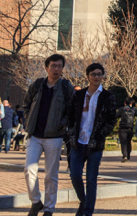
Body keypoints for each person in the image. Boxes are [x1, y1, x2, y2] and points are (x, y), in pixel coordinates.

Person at [23, 53, 75, 216]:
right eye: (53, 65)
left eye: (59, 66)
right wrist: (27, 122)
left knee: (51, 175)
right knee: (29, 169)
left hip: (55, 137)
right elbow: (26, 105)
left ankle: (49, 208)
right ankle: (36, 202)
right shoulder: (37, 85)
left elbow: (72, 111)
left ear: (62, 68)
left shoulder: (67, 87)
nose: (56, 69)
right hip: (35, 135)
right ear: (46, 67)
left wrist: (63, 124)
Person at [66, 63, 117, 216]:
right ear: (88, 76)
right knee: (74, 175)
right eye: (93, 74)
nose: (96, 77)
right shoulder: (79, 95)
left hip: (95, 144)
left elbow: (111, 120)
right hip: (78, 142)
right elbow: (70, 115)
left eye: (99, 74)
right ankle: (83, 200)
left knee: (91, 180)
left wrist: (101, 135)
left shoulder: (108, 96)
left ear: (102, 76)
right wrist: (70, 132)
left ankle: (88, 212)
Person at [116, 98, 137, 163]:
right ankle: (128, 156)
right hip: (130, 128)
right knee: (128, 142)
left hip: (122, 128)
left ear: (125, 103)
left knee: (123, 142)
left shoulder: (121, 109)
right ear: (131, 103)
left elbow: (115, 116)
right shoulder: (134, 110)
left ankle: (124, 155)